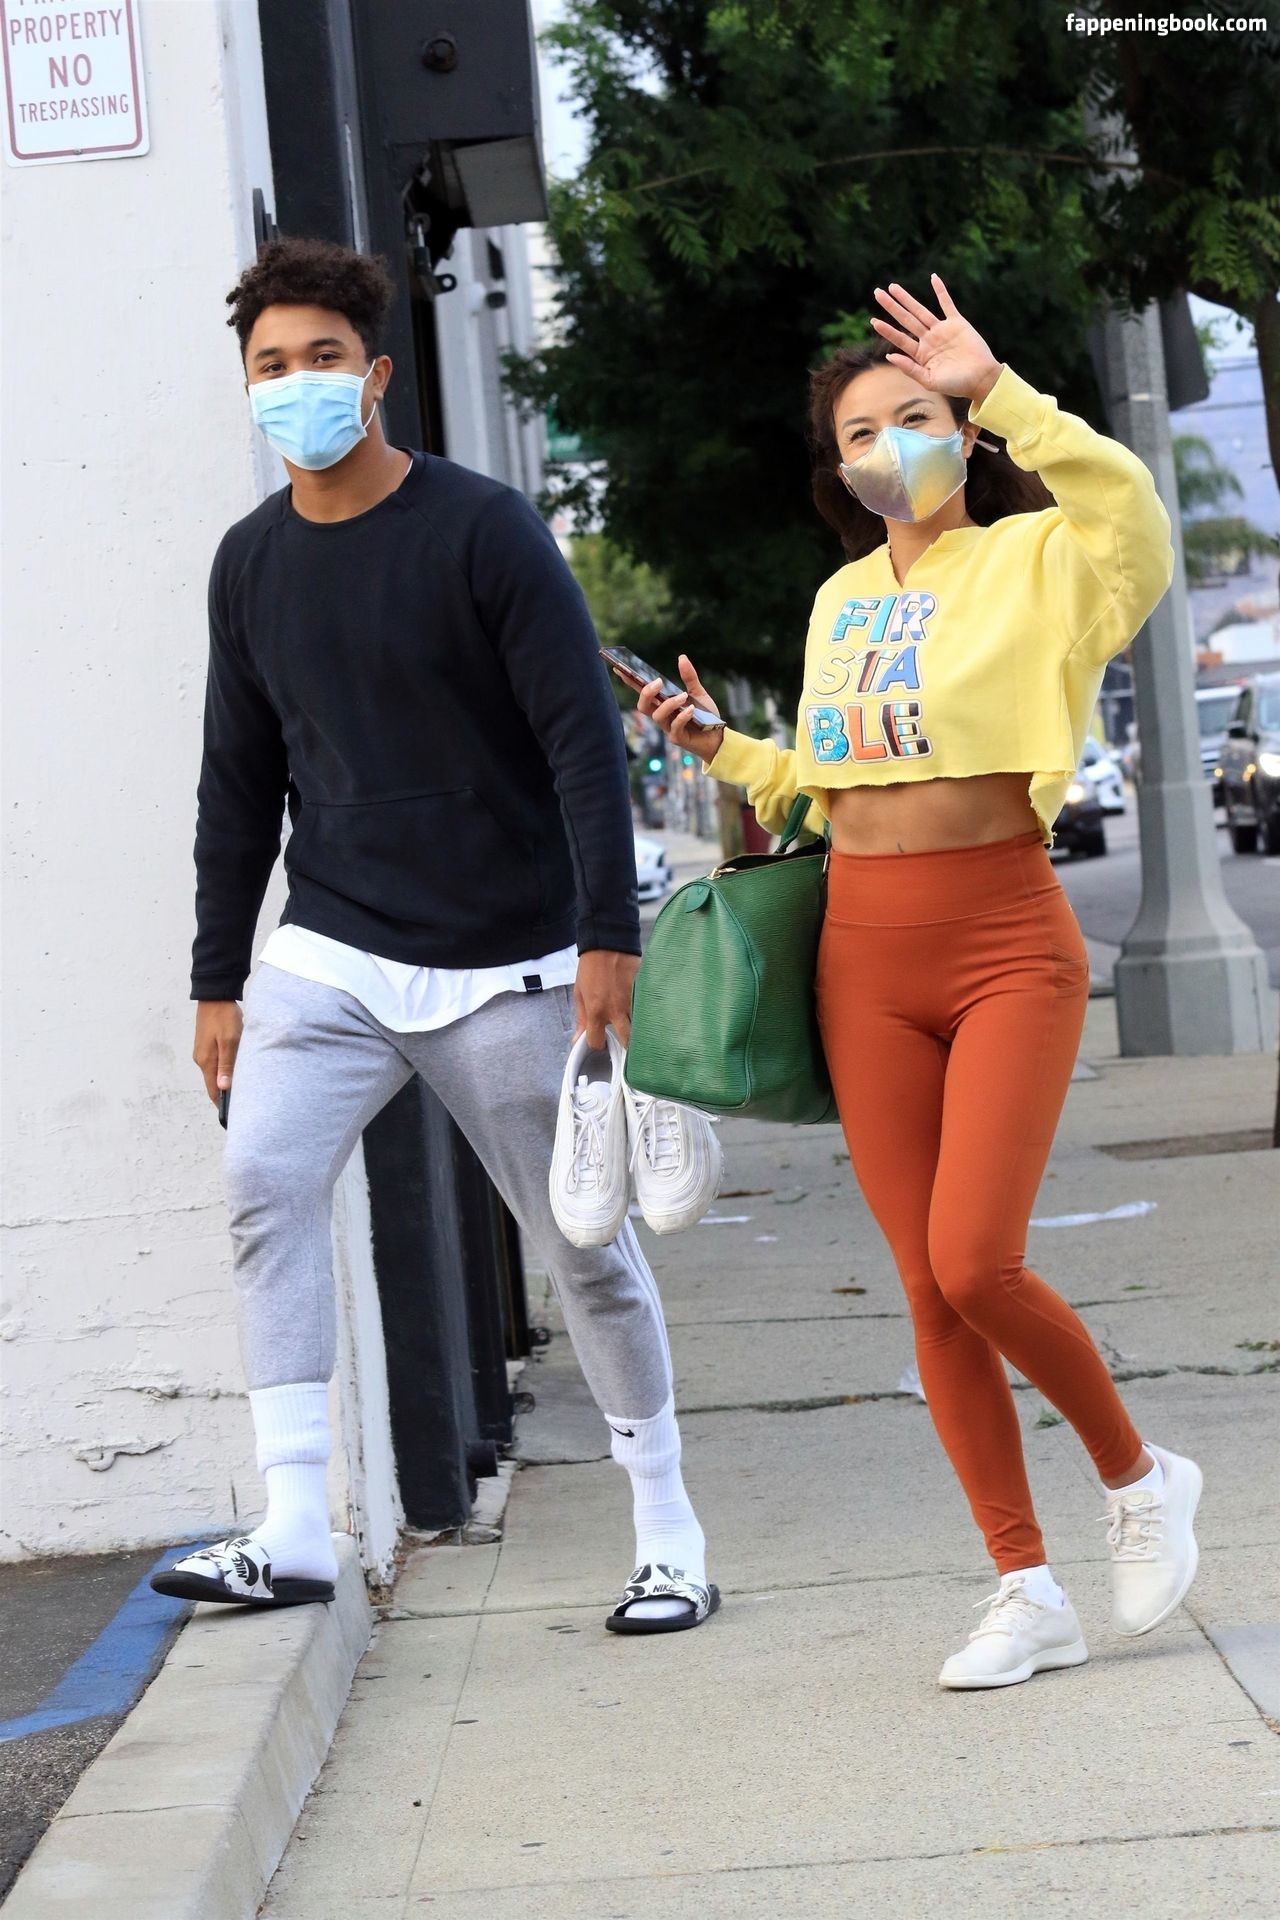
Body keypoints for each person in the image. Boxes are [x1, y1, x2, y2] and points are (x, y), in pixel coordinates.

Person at [639, 273, 1201, 1688]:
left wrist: (1000, 386)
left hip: (1006, 938)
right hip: (863, 957)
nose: (890, 443)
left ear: (962, 433)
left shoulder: (1041, 559)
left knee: (977, 1258)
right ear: (837, 470)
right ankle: (1026, 1587)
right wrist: (721, 749)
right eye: (861, 432)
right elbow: (830, 789)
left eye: (917, 416)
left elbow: (1134, 513)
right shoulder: (840, 603)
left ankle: (1139, 1479)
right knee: (930, 1293)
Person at [151, 238, 716, 1633]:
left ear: (376, 375)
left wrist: (608, 936)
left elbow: (581, 743)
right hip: (334, 946)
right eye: (271, 365)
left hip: (504, 957)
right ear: (247, 386)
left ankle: (668, 1531)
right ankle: (295, 1526)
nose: (297, 384)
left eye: (323, 358)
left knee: (579, 1240)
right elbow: (238, 780)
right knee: (263, 1178)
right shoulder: (250, 564)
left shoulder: (483, 530)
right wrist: (218, 977)